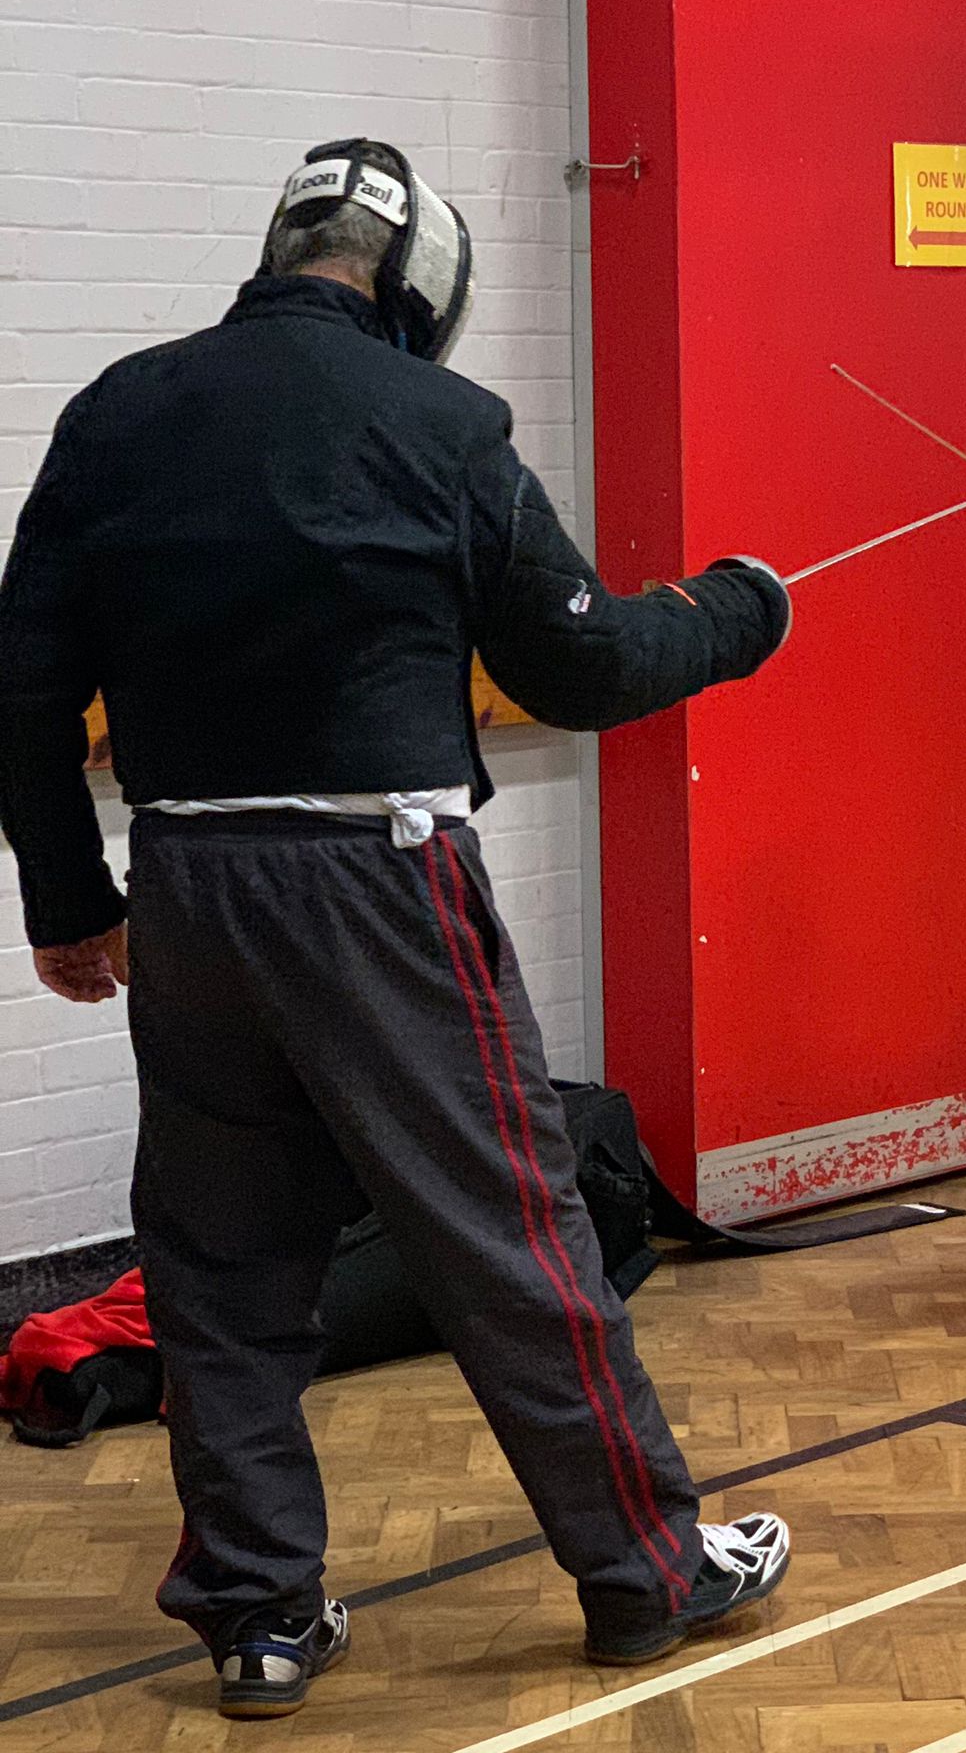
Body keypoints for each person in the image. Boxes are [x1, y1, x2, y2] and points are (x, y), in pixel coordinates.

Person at [0, 140, 793, 1718]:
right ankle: (650, 1571)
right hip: (380, 882)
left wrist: (68, 902)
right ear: (420, 280)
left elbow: (20, 687)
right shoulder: (446, 425)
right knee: (511, 1228)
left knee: (218, 1265)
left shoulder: (120, 410)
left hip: (190, 896)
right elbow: (580, 666)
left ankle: (258, 1618)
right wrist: (736, 609)